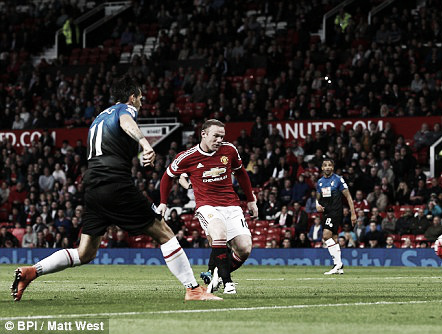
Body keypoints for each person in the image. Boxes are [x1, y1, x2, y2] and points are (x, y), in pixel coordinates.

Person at [11, 76, 220, 302]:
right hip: (115, 182)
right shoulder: (125, 109)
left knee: (86, 252)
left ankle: (31, 271)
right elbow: (126, 122)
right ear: (131, 97)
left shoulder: (97, 119)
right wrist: (145, 144)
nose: (141, 102)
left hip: (92, 186)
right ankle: (193, 290)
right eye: (139, 98)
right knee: (164, 232)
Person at [157, 119, 258, 295]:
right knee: (218, 233)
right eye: (216, 136)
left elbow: (241, 173)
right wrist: (163, 202)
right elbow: (167, 176)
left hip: (231, 205)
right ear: (203, 134)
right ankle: (227, 283)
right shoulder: (187, 157)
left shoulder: (230, 150)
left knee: (244, 248)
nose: (219, 140)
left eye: (222, 136)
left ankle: (218, 274)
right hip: (207, 206)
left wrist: (251, 199)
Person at [316, 159, 357, 274]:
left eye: (330, 165)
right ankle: (338, 267)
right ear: (322, 168)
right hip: (326, 212)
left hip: (335, 211)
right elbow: (318, 199)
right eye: (325, 165)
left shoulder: (338, 180)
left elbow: (348, 197)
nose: (328, 167)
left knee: (326, 235)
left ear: (333, 168)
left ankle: (338, 264)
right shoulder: (320, 182)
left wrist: (353, 214)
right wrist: (317, 205)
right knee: (333, 238)